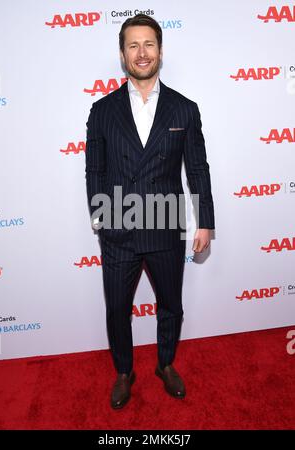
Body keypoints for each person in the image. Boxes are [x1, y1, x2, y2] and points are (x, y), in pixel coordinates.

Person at [85, 14, 215, 409]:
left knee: (170, 304)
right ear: (123, 54)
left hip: (164, 223)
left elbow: (197, 169)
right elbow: (95, 169)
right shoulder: (102, 110)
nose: (142, 53)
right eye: (133, 45)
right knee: (117, 309)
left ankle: (165, 364)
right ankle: (124, 371)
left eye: (149, 45)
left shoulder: (184, 109)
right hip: (119, 226)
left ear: (160, 50)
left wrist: (205, 221)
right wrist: (100, 217)